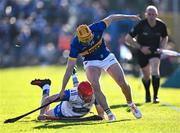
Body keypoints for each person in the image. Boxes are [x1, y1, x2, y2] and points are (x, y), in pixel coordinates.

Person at [59, 14, 142, 121]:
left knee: (123, 83)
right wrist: (62, 89)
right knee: (95, 85)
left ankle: (131, 104)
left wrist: (130, 17)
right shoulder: (75, 45)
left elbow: (111, 18)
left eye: (88, 38)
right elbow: (69, 68)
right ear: (79, 38)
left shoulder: (97, 27)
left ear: (90, 32)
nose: (88, 41)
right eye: (84, 40)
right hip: (91, 62)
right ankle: (109, 113)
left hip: (106, 57)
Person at [125, 5, 168, 103]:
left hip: (155, 52)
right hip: (142, 52)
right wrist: (141, 47)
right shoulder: (141, 25)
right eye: (149, 14)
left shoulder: (161, 25)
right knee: (146, 75)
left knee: (155, 70)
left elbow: (165, 37)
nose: (151, 16)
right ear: (146, 14)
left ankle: (155, 96)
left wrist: (161, 48)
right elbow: (128, 39)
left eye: (153, 14)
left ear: (157, 15)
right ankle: (147, 93)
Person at [31, 69, 105, 120]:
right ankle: (46, 86)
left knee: (76, 90)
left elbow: (101, 115)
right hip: (61, 113)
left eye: (90, 96)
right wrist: (42, 114)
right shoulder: (69, 94)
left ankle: (74, 74)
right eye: (86, 97)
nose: (89, 99)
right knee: (46, 112)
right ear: (80, 94)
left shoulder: (95, 95)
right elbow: (48, 100)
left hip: (75, 98)